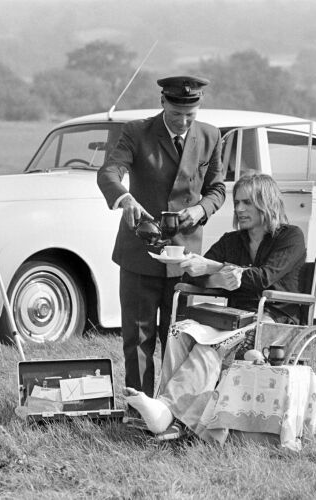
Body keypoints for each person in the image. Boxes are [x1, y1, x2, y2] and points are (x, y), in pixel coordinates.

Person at [123, 173, 306, 441]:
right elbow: (195, 273)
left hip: (272, 320)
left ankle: (169, 416)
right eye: (237, 203)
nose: (240, 209)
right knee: (180, 333)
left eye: (247, 203)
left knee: (209, 349)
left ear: (266, 203)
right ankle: (172, 415)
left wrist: (216, 269)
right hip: (232, 319)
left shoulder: (290, 237)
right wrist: (210, 271)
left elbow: (263, 278)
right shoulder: (233, 241)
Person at [97, 76, 226, 397]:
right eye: (176, 114)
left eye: (190, 115)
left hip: (184, 259)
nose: (183, 122)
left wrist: (200, 210)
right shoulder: (136, 132)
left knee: (178, 338)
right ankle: (139, 407)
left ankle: (173, 408)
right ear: (163, 103)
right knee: (138, 338)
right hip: (140, 253)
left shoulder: (211, 136)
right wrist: (124, 199)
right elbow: (109, 172)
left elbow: (217, 189)